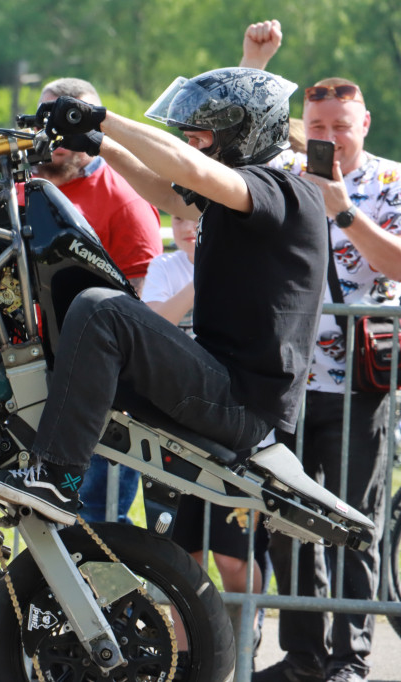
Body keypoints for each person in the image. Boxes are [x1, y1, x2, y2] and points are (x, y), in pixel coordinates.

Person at [0, 66, 327, 556]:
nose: (193, 141)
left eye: (203, 134)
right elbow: (169, 193)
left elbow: (192, 172)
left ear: (247, 132)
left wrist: (102, 117)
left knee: (100, 309)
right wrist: (95, 140)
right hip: (219, 384)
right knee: (69, 329)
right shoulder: (238, 200)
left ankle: (54, 477)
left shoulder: (285, 191)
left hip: (243, 403)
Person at [242, 29, 401, 682]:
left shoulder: (390, 180)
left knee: (353, 523)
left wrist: (343, 212)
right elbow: (232, 148)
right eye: (317, 126)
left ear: (364, 122)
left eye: (342, 124)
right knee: (288, 521)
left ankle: (350, 657)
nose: (331, 136)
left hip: (361, 383)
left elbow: (396, 262)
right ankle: (303, 655)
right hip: (289, 381)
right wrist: (254, 65)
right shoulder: (286, 175)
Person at [31, 77, 163, 525]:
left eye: (69, 126)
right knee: (42, 520)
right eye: (47, 122)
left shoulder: (124, 199)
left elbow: (146, 299)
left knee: (96, 522)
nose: (56, 139)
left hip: (97, 393)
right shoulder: (22, 190)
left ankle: (120, 597)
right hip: (31, 379)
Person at [142, 214, 263, 648]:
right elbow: (153, 325)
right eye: (179, 218)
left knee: (232, 558)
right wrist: (201, 276)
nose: (189, 227)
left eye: (200, 220)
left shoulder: (247, 266)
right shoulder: (164, 268)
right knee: (181, 558)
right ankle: (189, 653)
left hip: (231, 429)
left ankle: (242, 642)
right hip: (169, 430)